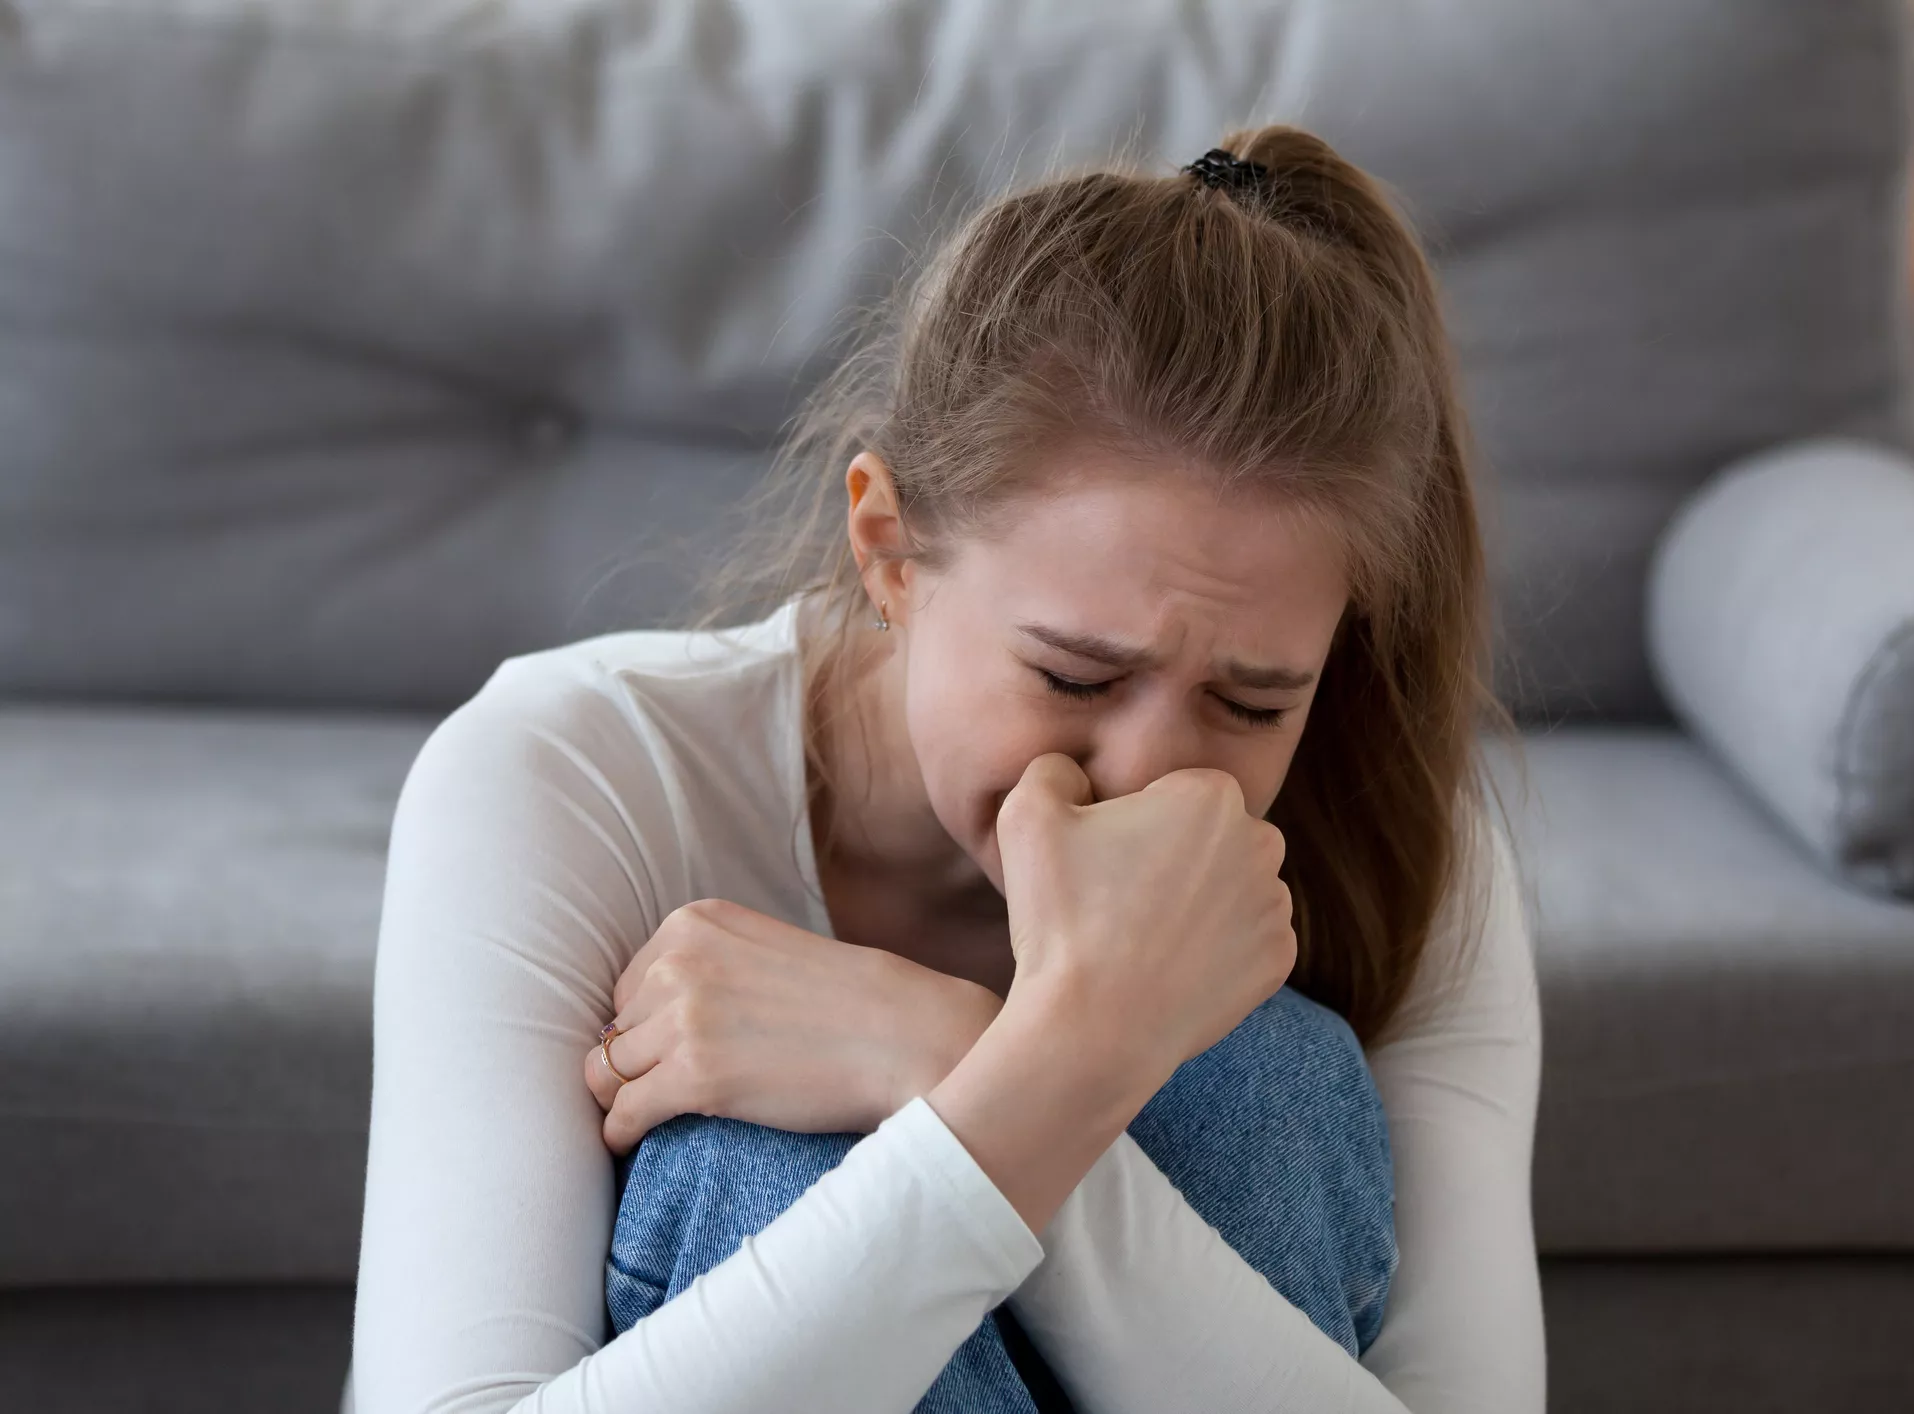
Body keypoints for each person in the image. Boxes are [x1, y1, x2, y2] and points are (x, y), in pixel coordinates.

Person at [347, 124, 1545, 1413]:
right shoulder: (570, 771)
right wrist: (1044, 1076)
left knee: (1263, 1081)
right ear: (888, 551)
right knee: (754, 1165)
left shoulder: (1402, 835)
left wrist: (962, 1056)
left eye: (1252, 702)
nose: (1150, 773)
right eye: (1076, 677)